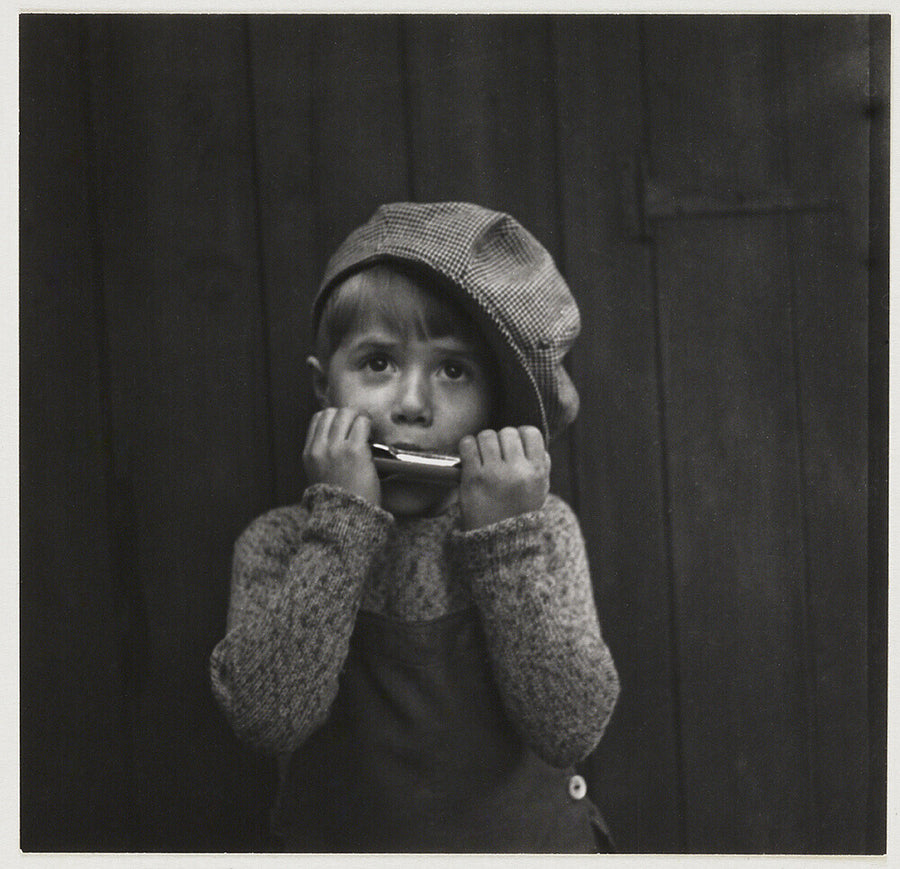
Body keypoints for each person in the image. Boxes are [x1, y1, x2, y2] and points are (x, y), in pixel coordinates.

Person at [209, 201, 620, 853]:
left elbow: (571, 726)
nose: (411, 403)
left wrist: (503, 544)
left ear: (495, 406)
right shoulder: (279, 543)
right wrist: (341, 524)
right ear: (325, 390)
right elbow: (267, 718)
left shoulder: (539, 529)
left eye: (453, 370)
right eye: (378, 363)